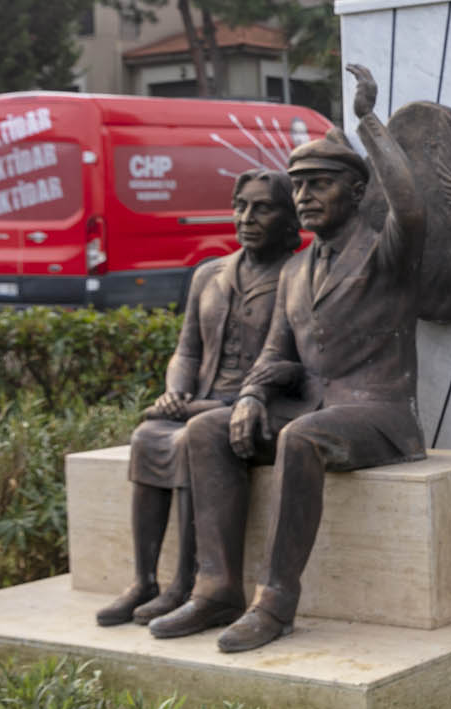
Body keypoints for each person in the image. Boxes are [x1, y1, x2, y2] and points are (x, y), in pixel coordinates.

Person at [150, 69, 426, 653]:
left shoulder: (386, 251)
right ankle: (217, 586)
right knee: (205, 430)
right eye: (298, 187)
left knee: (301, 436)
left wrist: (368, 123)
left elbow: (412, 206)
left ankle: (274, 603)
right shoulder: (296, 271)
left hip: (378, 413)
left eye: (319, 185)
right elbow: (277, 352)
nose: (303, 197)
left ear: (356, 192)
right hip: (312, 407)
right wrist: (250, 394)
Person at [94, 168, 299, 627]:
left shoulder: (297, 275)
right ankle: (144, 580)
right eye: (241, 205)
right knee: (147, 436)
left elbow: (294, 359)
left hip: (253, 407)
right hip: (199, 400)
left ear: (288, 217)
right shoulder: (209, 274)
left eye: (262, 207)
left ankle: (184, 584)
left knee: (192, 440)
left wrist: (249, 396)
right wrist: (175, 391)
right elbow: (187, 349)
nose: (247, 217)